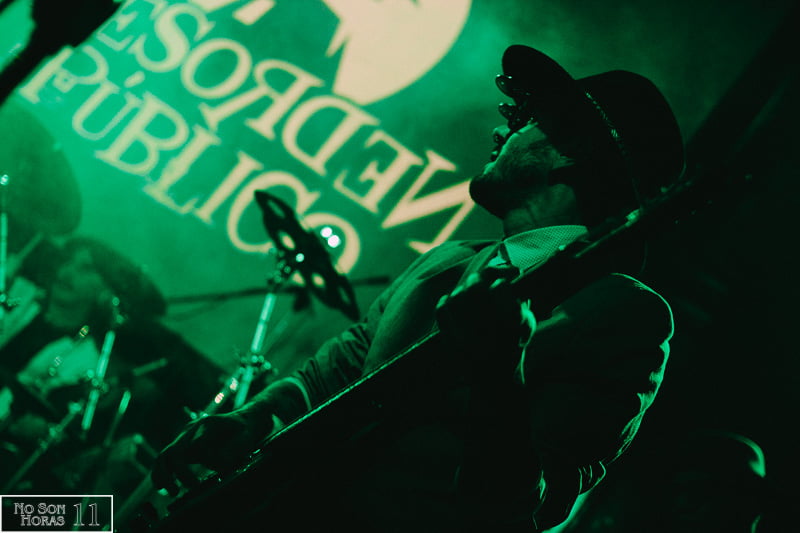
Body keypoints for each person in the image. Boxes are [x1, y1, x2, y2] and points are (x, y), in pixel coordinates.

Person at [151, 45, 685, 532]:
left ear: (574, 150)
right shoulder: (447, 258)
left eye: (524, 120)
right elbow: (331, 373)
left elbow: (525, 509)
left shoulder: (626, 312)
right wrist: (255, 415)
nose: (499, 131)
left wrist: (500, 370)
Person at [0, 236, 221, 495]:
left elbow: (61, 436)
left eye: (85, 269)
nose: (68, 272)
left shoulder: (89, 357)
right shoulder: (18, 298)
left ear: (106, 289)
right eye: (68, 262)